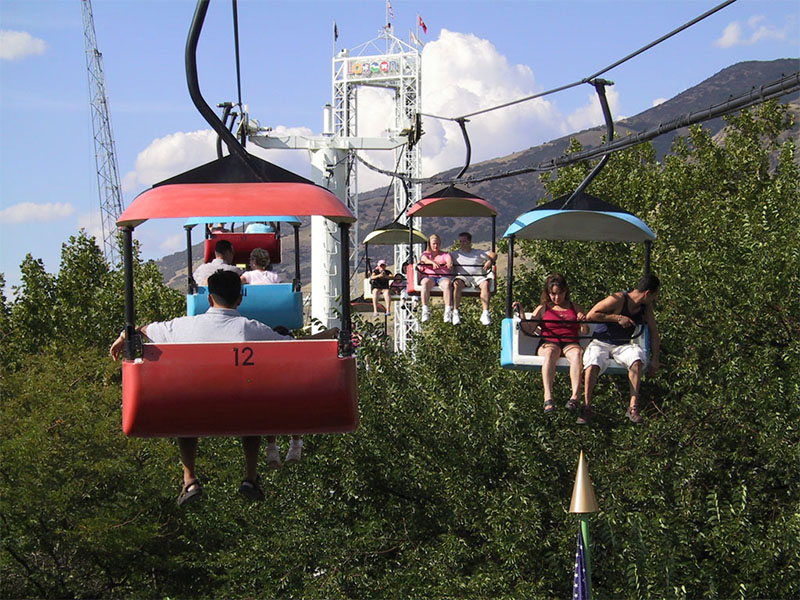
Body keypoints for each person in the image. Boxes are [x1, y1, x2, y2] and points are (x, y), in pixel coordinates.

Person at [110, 270, 337, 505]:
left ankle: (189, 479)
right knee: (252, 403)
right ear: (239, 299)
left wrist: (124, 334)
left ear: (209, 298)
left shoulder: (182, 327)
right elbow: (294, 346)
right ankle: (250, 477)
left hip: (196, 408)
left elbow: (144, 329)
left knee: (185, 409)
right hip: (240, 409)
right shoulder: (252, 329)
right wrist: (331, 336)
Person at [579, 273, 661, 425]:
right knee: (593, 360)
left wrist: (655, 359)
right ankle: (586, 406)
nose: (655, 299)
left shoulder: (645, 307)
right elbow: (591, 315)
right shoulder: (618, 299)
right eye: (655, 295)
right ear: (647, 293)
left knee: (636, 358)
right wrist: (617, 318)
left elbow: (654, 332)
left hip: (622, 344)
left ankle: (633, 406)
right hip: (601, 342)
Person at [513, 274, 587, 413]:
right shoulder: (543, 308)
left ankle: (575, 396)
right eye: (553, 294)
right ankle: (548, 396)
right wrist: (521, 312)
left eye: (560, 293)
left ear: (565, 291)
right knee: (550, 352)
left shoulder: (576, 308)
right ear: (548, 293)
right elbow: (529, 329)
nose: (557, 298)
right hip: (549, 341)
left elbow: (584, 331)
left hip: (570, 342)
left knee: (577, 353)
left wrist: (582, 321)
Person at [451, 231, 497, 326]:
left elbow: (494, 254)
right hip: (463, 277)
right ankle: (455, 312)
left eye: (464, 241)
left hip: (477, 276)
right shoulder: (455, 254)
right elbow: (444, 258)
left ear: (469, 242)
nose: (462, 244)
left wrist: (490, 261)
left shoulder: (478, 253)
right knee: (456, 284)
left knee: (485, 284)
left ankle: (485, 313)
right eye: (460, 241)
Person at [418, 234, 454, 323]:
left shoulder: (445, 254)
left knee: (447, 284)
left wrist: (449, 263)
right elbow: (424, 259)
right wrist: (432, 262)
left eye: (437, 244)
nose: (436, 246)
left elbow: (449, 260)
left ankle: (447, 311)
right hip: (430, 276)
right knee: (425, 283)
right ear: (429, 244)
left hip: (442, 276)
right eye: (433, 244)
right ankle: (425, 310)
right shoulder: (425, 254)